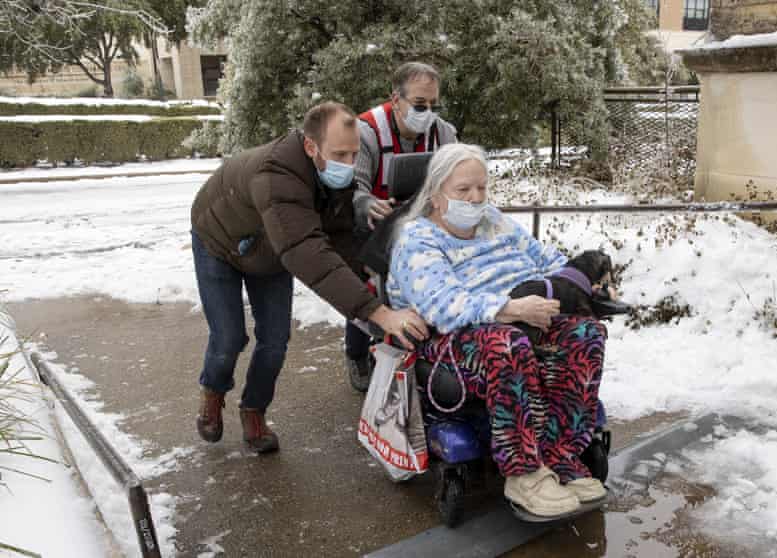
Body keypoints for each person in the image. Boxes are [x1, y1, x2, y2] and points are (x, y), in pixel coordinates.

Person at [190, 102, 427, 453]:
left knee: (275, 339)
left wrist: (366, 276)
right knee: (228, 337)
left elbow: (338, 234)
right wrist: (378, 313)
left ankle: (254, 411)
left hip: (271, 250)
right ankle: (213, 391)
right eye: (339, 154)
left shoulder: (334, 175)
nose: (348, 165)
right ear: (310, 146)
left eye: (353, 154)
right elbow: (306, 251)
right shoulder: (276, 175)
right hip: (220, 243)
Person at [387, 143, 608, 517]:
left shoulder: (494, 220)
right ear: (437, 196)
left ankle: (560, 454)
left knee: (586, 334)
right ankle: (523, 475)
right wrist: (509, 309)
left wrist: (589, 284)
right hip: (452, 338)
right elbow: (444, 306)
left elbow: (547, 258)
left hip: (523, 317)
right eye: (463, 190)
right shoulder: (416, 240)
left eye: (481, 188)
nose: (475, 199)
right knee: (508, 344)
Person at [344, 61, 458, 390]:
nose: (428, 113)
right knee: (365, 290)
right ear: (396, 99)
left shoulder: (443, 133)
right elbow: (353, 188)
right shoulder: (366, 131)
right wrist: (365, 203)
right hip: (375, 229)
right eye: (420, 105)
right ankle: (357, 353)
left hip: (427, 228)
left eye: (434, 105)